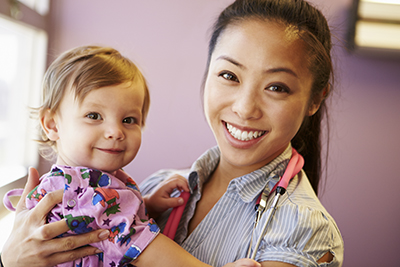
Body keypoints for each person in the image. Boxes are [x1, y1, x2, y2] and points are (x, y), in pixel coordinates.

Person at [1, 0, 344, 266]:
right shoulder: (162, 185)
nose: (245, 108)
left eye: (277, 87)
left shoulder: (303, 231)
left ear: (315, 98)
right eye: (229, 75)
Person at [1, 45, 259, 267]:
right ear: (52, 124)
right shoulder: (81, 192)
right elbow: (142, 246)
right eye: (94, 116)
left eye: (128, 120)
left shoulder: (89, 182)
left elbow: (105, 223)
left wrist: (148, 205)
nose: (115, 132)